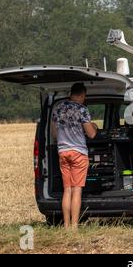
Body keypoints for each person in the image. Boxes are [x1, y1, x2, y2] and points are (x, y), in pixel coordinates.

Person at [52, 83, 98, 229]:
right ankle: (74, 225)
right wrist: (94, 126)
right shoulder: (82, 110)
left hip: (63, 152)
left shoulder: (58, 108)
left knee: (67, 190)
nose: (84, 100)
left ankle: (65, 225)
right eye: (84, 97)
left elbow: (54, 134)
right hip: (78, 153)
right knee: (77, 189)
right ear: (81, 95)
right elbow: (91, 134)